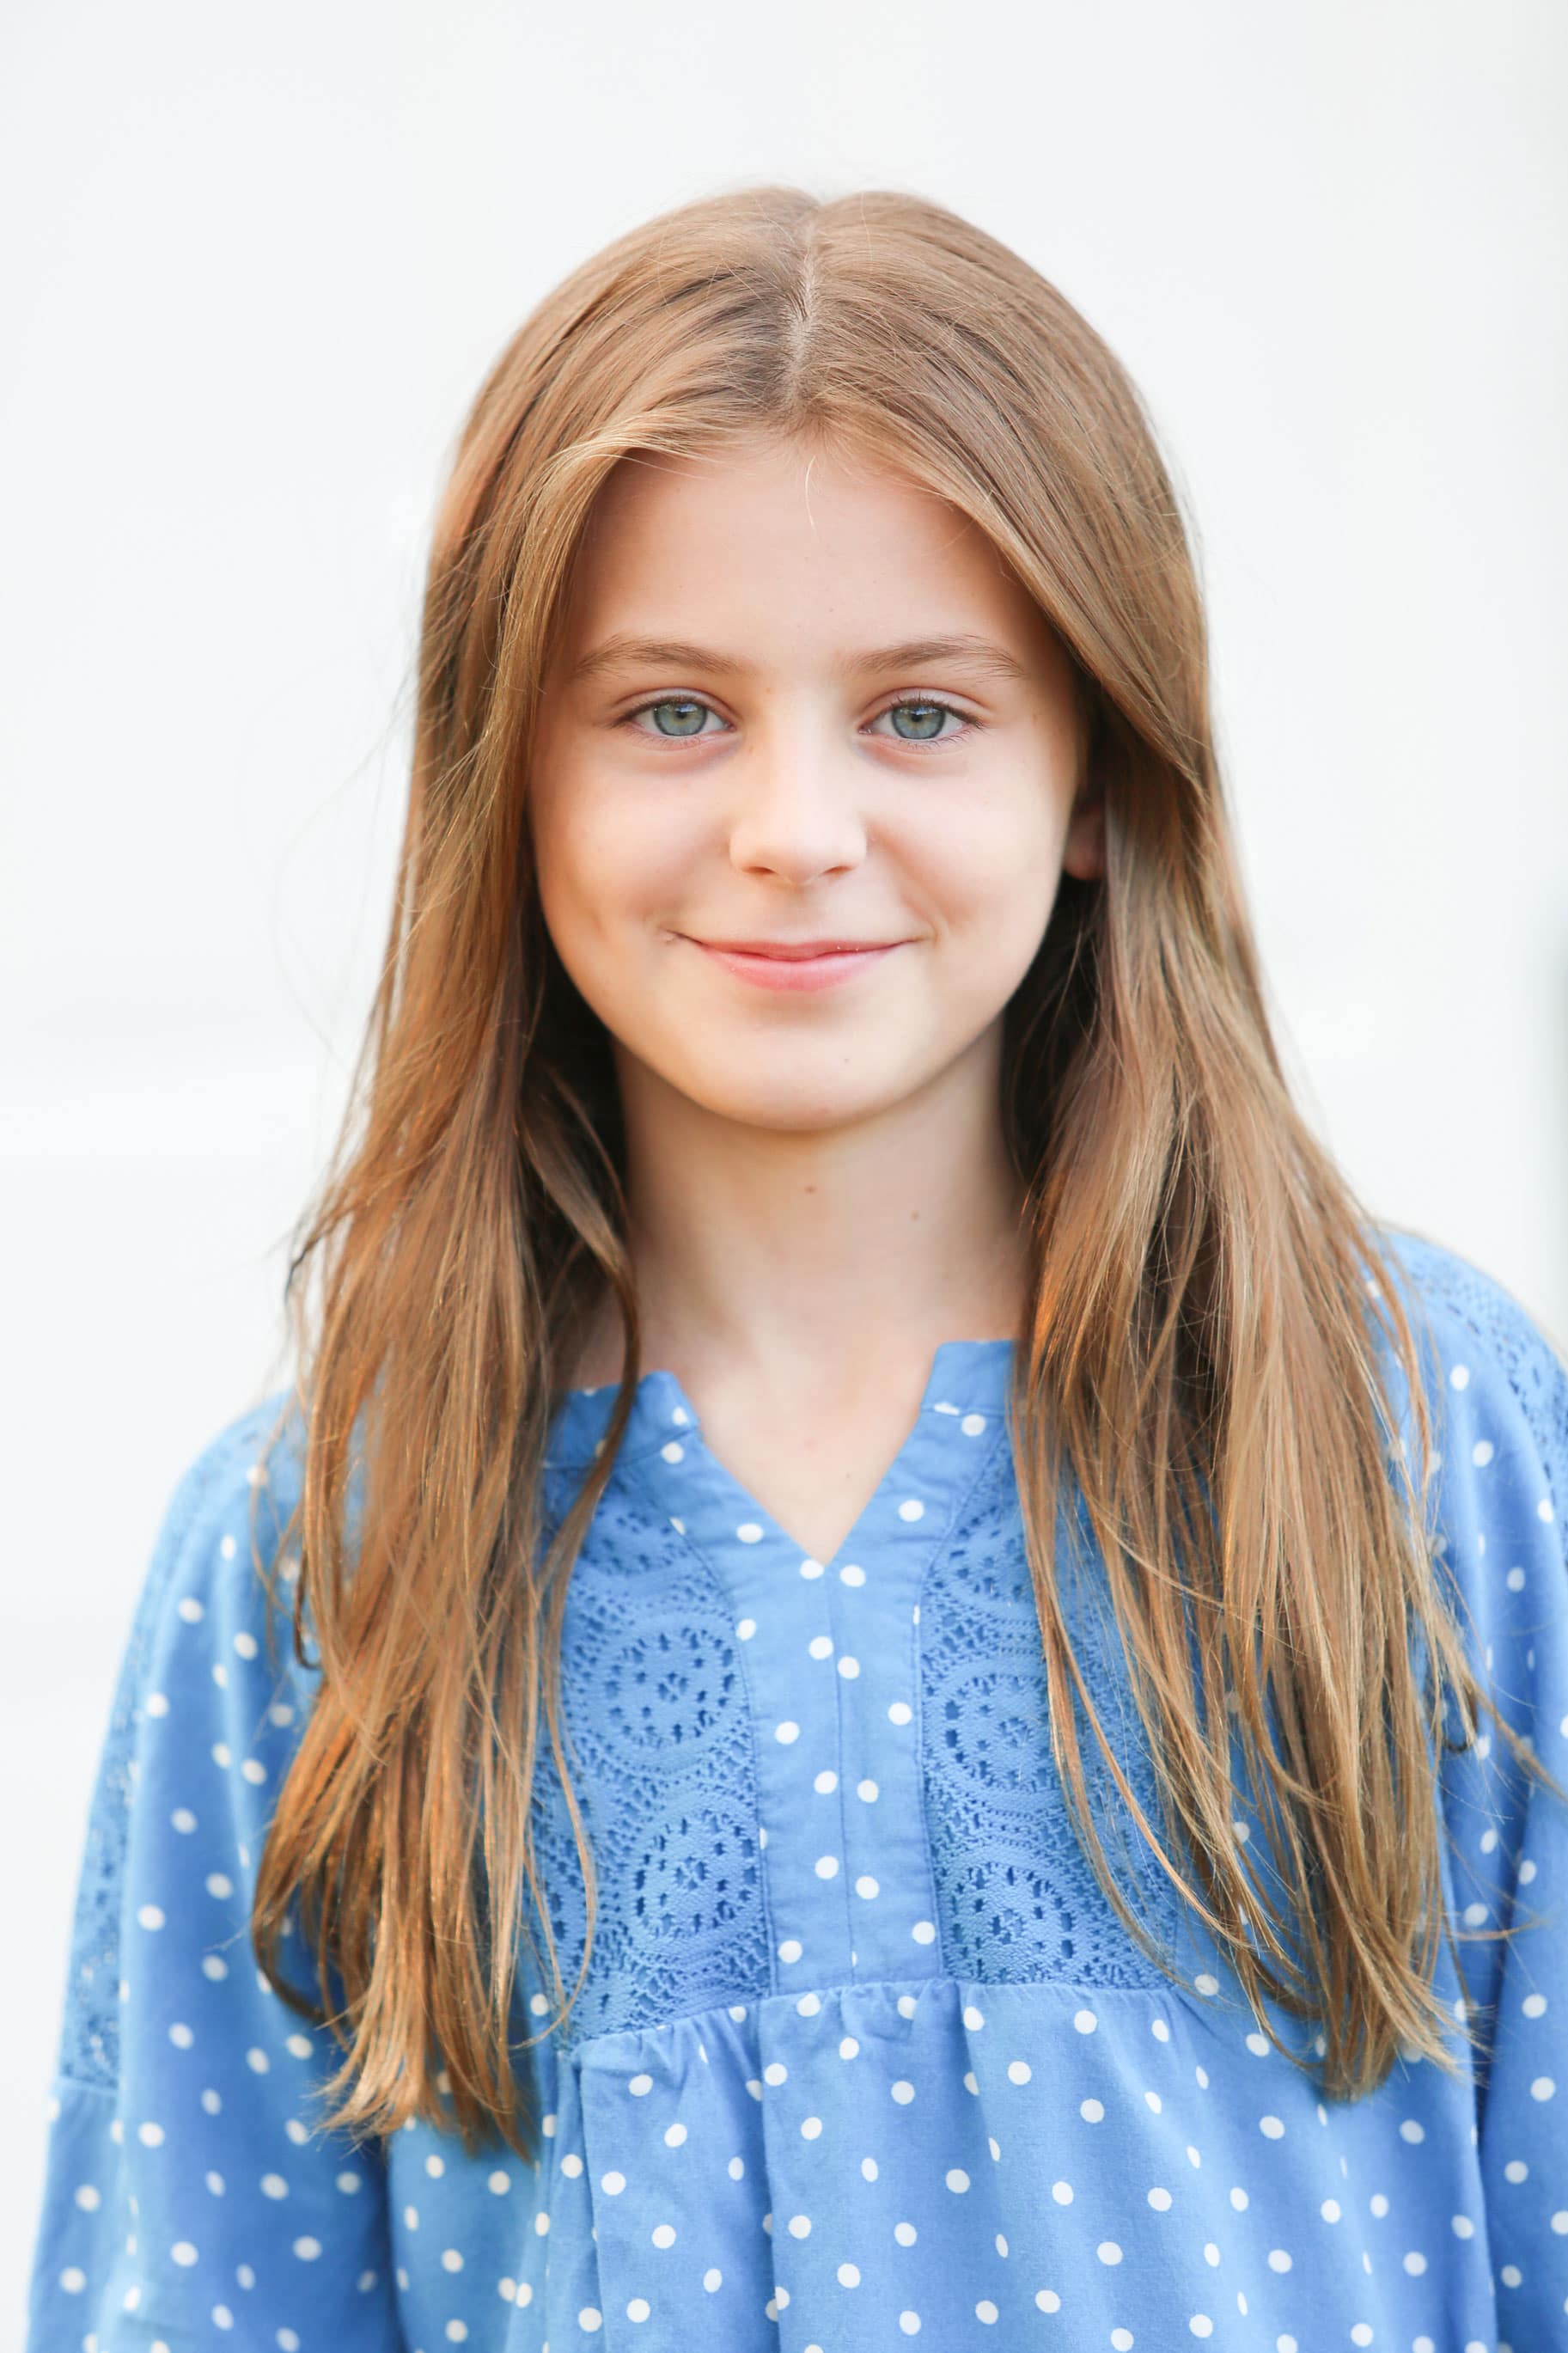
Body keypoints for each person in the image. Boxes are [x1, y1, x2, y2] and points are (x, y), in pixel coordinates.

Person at [24, 183, 1568, 2353]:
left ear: (1101, 776)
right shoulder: (319, 1553)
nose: (793, 825)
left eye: (921, 714)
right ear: (514, 779)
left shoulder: (1419, 1435)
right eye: (671, 711)